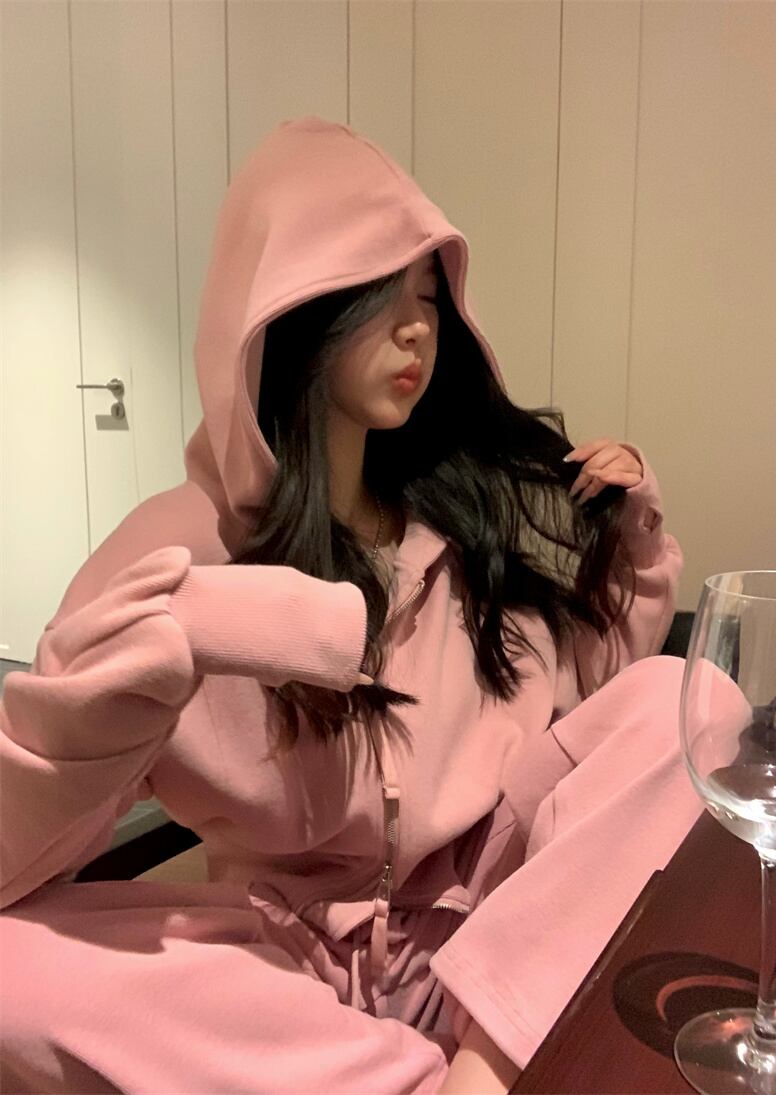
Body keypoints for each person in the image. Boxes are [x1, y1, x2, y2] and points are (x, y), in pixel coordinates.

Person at [0, 116, 701, 1094]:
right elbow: (17, 858)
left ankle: (478, 1073)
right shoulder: (173, 552)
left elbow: (600, 707)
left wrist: (631, 540)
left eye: (429, 300)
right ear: (290, 315)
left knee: (693, 699)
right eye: (380, 300)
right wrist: (134, 681)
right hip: (279, 979)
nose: (418, 329)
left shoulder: (459, 517)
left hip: (480, 942)